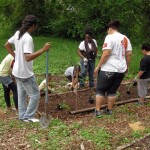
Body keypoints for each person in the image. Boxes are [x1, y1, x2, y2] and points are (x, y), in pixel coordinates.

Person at [5, 15, 51, 122]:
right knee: (35, 94)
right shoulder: (28, 38)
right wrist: (43, 49)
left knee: (21, 94)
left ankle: (22, 116)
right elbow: (28, 57)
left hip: (17, 71)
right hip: (25, 73)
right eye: (35, 27)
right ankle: (28, 117)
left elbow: (7, 45)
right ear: (33, 26)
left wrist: (15, 57)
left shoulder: (18, 33)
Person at [94, 20, 132, 117]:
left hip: (108, 69)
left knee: (100, 90)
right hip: (121, 70)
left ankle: (98, 111)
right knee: (112, 91)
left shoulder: (109, 37)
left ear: (110, 29)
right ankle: (109, 110)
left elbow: (106, 53)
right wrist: (127, 66)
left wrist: (98, 66)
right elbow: (129, 54)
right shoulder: (125, 38)